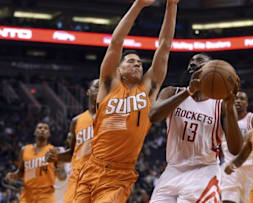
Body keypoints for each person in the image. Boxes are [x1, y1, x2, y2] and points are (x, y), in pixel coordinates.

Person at [74, 0, 178, 202]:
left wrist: (172, 5)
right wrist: (138, 5)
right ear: (119, 69)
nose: (137, 64)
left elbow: (164, 46)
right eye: (131, 61)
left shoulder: (147, 90)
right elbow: (115, 43)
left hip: (119, 175)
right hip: (91, 168)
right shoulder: (109, 86)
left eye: (140, 62)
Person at [148, 53, 243, 202]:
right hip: (173, 170)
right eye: (191, 62)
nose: (192, 64)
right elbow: (153, 116)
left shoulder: (221, 105)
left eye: (199, 61)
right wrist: (189, 91)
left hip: (203, 172)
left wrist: (230, 108)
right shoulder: (172, 92)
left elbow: (235, 149)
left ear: (213, 69)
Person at [45, 79, 99, 203]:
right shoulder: (77, 121)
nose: (100, 91)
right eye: (96, 87)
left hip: (100, 178)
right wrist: (56, 157)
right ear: (88, 92)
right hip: (78, 178)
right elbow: (72, 153)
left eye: (104, 88)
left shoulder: (111, 119)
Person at [5, 122, 65, 203]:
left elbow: (63, 177)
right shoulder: (24, 150)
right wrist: (13, 175)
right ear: (35, 132)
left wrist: (59, 172)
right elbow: (21, 172)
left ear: (49, 134)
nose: (42, 130)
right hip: (27, 193)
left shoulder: (53, 150)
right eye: (40, 128)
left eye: (45, 128)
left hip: (45, 194)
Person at [221, 91, 253, 203]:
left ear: (247, 103)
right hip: (230, 166)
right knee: (227, 200)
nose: (238, 101)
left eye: (242, 99)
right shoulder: (224, 119)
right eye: (236, 98)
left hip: (250, 168)